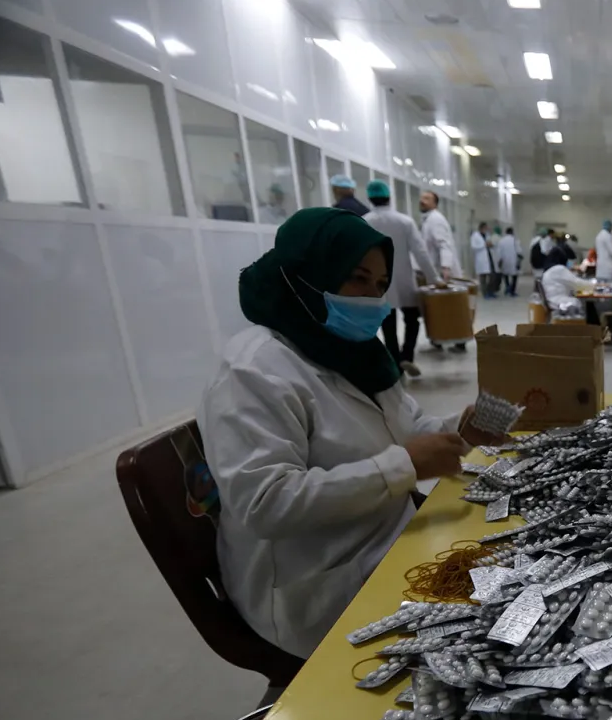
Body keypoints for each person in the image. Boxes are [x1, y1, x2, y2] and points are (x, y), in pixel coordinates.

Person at [198, 207, 504, 659]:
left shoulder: (353, 349)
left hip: (385, 533)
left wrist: (459, 431)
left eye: (380, 286)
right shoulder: (256, 371)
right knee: (491, 629)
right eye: (358, 279)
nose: (372, 300)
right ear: (308, 273)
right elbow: (265, 503)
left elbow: (409, 427)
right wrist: (405, 465)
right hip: (318, 580)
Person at [363, 181, 439, 377]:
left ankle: (395, 365)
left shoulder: (365, 222)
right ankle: (407, 356)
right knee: (412, 321)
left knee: (388, 326)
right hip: (405, 279)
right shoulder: (404, 221)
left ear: (370, 198)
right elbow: (420, 252)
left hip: (380, 282)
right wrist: (434, 278)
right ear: (389, 197)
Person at [539, 247, 596, 318]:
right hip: (559, 301)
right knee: (582, 303)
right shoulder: (558, 269)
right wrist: (594, 285)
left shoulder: (549, 270)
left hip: (551, 300)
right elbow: (577, 283)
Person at [417, 190, 456, 283]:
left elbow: (444, 244)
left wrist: (445, 267)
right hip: (432, 270)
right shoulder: (427, 219)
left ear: (435, 204)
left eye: (427, 199)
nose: (422, 201)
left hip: (439, 271)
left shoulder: (436, 219)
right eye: (421, 198)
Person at [471, 222, 495, 299]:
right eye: (485, 228)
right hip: (481, 258)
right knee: (483, 278)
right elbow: (473, 247)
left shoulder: (487, 235)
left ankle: (490, 291)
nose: (486, 229)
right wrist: (484, 245)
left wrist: (490, 245)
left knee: (492, 276)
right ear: (481, 228)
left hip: (488, 257)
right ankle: (485, 293)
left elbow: (489, 243)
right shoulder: (475, 236)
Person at [496, 226, 520, 297]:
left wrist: (499, 260)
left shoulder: (501, 240)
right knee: (514, 276)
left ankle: (507, 287)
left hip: (504, 260)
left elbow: (499, 252)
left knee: (505, 274)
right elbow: (518, 250)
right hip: (513, 260)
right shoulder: (514, 240)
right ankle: (512, 291)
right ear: (512, 232)